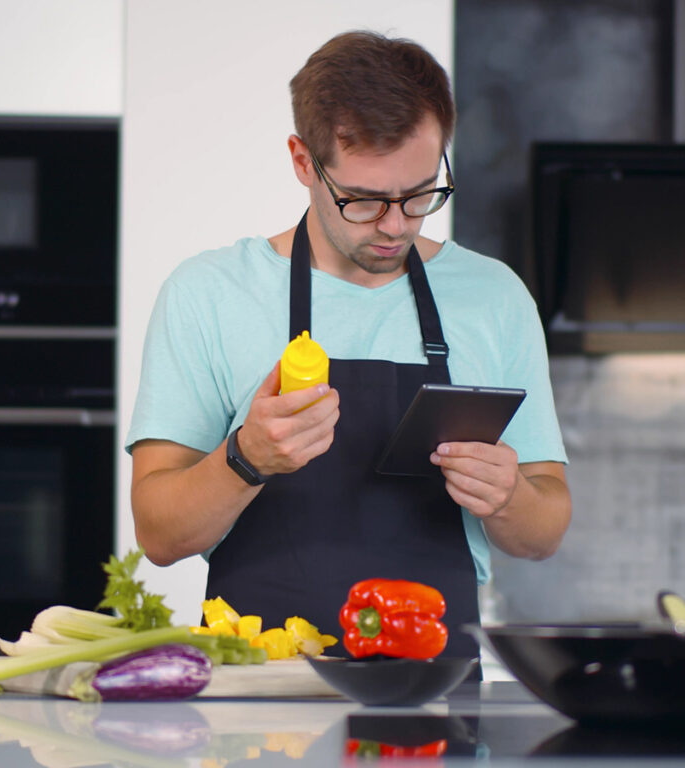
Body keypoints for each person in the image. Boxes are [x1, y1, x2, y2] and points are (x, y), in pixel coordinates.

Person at [126, 30, 571, 659]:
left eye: (420, 194)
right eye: (364, 201)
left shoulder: (494, 298)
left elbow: (543, 531)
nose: (396, 225)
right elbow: (159, 535)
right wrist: (246, 457)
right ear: (304, 163)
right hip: (258, 706)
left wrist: (509, 497)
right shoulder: (209, 293)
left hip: (432, 699)